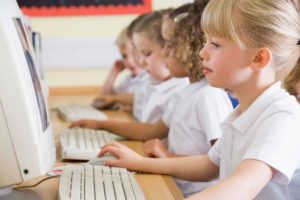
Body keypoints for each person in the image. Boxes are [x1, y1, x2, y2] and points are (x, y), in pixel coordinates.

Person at [98, 0, 300, 199]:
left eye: (215, 44)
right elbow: (208, 165)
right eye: (205, 42)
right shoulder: (245, 111)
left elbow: (243, 186)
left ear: (258, 58)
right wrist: (138, 162)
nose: (202, 52)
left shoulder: (282, 117)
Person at [70, 2, 232, 197]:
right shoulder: (187, 93)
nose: (164, 53)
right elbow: (152, 130)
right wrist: (101, 124)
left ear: (191, 48)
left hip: (192, 193)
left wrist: (166, 157)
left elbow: (221, 161)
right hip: (172, 182)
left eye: (171, 46)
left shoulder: (208, 95)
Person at [92, 26, 148, 109]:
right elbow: (103, 99)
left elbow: (139, 98)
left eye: (134, 54)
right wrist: (113, 73)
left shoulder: (148, 77)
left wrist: (116, 99)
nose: (129, 61)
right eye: (124, 56)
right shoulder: (129, 80)